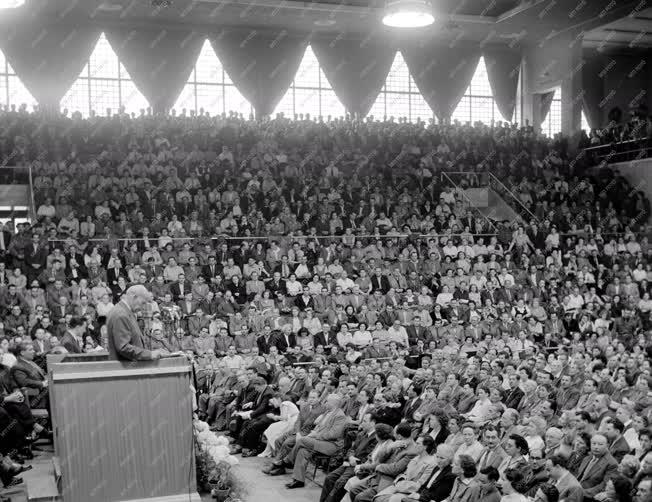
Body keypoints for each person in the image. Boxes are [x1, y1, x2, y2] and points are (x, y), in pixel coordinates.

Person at [274, 393, 349, 489]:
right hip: (320, 441)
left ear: (332, 403)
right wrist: (314, 432)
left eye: (327, 401)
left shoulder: (340, 416)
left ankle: (287, 460)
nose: (325, 403)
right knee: (303, 450)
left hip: (332, 445)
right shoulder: (327, 412)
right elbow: (318, 426)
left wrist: (315, 435)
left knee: (302, 440)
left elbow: (333, 434)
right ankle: (299, 480)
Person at [106, 285, 164, 361]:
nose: (143, 307)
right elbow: (123, 347)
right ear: (134, 297)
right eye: (143, 303)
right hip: (125, 368)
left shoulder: (125, 311)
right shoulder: (121, 314)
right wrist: (150, 354)